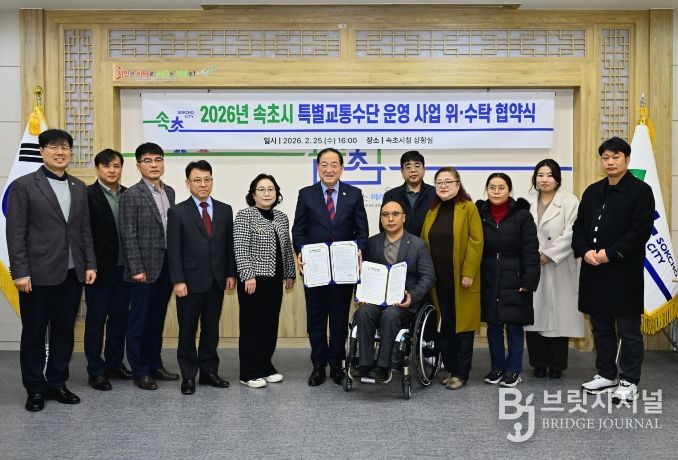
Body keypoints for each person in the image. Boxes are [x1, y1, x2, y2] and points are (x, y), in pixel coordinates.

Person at [6, 128, 96, 412]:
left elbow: (84, 230)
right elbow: (15, 233)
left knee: (64, 332)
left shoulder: (78, 186)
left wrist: (90, 264)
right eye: (54, 147)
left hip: (71, 274)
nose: (60, 152)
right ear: (42, 151)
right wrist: (20, 272)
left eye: (65, 147)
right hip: (36, 274)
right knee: (34, 333)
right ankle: (35, 388)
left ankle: (57, 382)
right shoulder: (24, 186)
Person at [573, 137, 654, 403]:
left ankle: (629, 380)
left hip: (623, 272)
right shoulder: (593, 191)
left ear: (627, 159)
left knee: (628, 331)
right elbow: (579, 228)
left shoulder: (641, 191)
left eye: (615, 157)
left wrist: (609, 253)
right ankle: (606, 374)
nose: (610, 162)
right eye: (605, 157)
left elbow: (640, 232)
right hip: (594, 270)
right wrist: (585, 251)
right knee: (600, 328)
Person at [292, 147, 369, 386]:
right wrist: (300, 253)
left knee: (338, 319)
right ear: (318, 168)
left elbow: (362, 231)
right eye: (324, 164)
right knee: (315, 319)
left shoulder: (354, 194)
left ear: (341, 168)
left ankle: (337, 365)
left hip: (344, 270)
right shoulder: (306, 194)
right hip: (315, 269)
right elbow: (298, 230)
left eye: (334, 164)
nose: (329, 169)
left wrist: (359, 250)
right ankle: (318, 365)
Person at [167, 160, 237, 395]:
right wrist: (178, 280)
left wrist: (230, 273)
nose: (203, 184)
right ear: (188, 183)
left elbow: (228, 245)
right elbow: (174, 249)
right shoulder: (178, 211)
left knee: (211, 330)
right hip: (189, 282)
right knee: (187, 331)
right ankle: (188, 375)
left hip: (217, 281)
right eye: (197, 180)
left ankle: (209, 372)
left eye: (207, 179)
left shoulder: (225, 210)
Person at [353, 199, 435, 382]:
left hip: (403, 304)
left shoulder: (418, 245)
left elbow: (428, 276)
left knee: (391, 314)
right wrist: (360, 294)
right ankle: (365, 364)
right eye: (385, 215)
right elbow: (361, 273)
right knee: (364, 312)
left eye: (395, 214)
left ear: (403, 218)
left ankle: (383, 366)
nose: (390, 219)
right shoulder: (371, 243)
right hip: (376, 301)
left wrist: (412, 296)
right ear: (381, 219)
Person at [119, 142, 179, 390]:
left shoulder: (170, 192)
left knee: (157, 319)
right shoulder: (132, 195)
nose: (154, 165)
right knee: (139, 322)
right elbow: (128, 234)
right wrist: (136, 268)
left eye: (158, 159)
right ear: (138, 165)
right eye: (147, 161)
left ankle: (155, 364)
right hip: (143, 269)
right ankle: (140, 370)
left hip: (167, 267)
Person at [421, 167, 483, 390]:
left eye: (448, 181)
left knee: (463, 329)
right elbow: (424, 242)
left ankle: (461, 373)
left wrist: (468, 272)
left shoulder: (468, 208)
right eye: (439, 182)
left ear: (458, 184)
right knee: (445, 328)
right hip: (438, 283)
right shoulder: (432, 210)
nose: (443, 186)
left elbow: (476, 242)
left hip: (462, 282)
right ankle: (449, 368)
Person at [476, 173, 539, 387]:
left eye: (501, 187)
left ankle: (513, 369)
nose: (496, 192)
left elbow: (531, 250)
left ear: (509, 190)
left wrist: (529, 280)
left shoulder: (522, 215)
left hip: (515, 277)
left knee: (514, 325)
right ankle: (497, 367)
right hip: (488, 276)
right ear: (486, 190)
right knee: (493, 325)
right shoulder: (479, 214)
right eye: (492, 187)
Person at [233, 174, 296, 388]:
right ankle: (248, 372)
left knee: (269, 325)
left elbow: (286, 248)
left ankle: (265, 366)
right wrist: (247, 275)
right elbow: (240, 247)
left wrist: (289, 273)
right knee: (252, 326)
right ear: (253, 194)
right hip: (253, 281)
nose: (267, 193)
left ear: (277, 193)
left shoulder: (281, 217)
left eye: (271, 189)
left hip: (275, 279)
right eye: (261, 189)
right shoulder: (245, 215)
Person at [525, 159, 585, 379]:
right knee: (535, 314)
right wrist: (533, 255)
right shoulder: (527, 201)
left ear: (558, 178)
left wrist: (549, 254)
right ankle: (538, 363)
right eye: (540, 175)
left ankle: (557, 365)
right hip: (533, 264)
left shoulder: (569, 201)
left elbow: (573, 232)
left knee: (558, 316)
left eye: (549, 175)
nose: (544, 180)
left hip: (559, 264)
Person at [84, 149, 132, 391]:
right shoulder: (87, 195)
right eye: (106, 166)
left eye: (116, 166)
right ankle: (95, 370)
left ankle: (114, 363)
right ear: (98, 169)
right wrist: (89, 264)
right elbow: (83, 234)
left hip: (127, 270)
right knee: (96, 321)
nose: (112, 170)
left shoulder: (128, 194)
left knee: (120, 320)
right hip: (99, 271)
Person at [382, 151, 436, 237]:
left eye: (417, 166)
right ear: (402, 172)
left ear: (424, 169)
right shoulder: (391, 195)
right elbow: (384, 225)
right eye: (408, 167)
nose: (413, 170)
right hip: (399, 244)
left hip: (428, 244)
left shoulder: (435, 194)